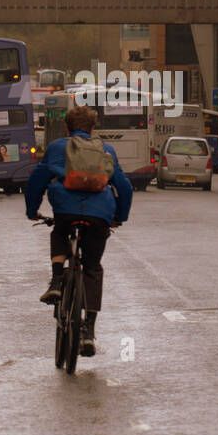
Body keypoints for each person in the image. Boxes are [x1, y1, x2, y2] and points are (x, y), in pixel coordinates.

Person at [25, 104, 133, 358]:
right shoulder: (106, 149)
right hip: (99, 215)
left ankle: (56, 280)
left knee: (60, 233)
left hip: (65, 210)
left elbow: (36, 181)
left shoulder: (55, 148)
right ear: (93, 128)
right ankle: (88, 331)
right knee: (93, 267)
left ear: (67, 127)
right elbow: (124, 187)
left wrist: (32, 210)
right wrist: (119, 217)